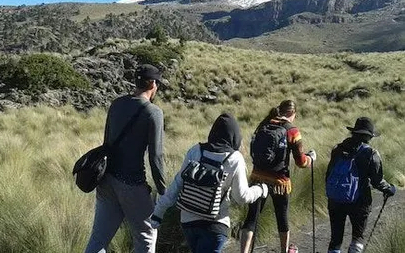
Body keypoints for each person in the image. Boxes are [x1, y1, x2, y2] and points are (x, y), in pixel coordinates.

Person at [149, 113, 268, 253]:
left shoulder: (196, 151)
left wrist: (158, 213)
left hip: (188, 222)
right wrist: (260, 190)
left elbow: (177, 184)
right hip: (215, 225)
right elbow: (241, 197)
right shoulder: (235, 159)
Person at [84, 64, 166, 253]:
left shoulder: (117, 103)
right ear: (153, 84)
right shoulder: (154, 112)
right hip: (132, 183)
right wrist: (163, 190)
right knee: (146, 236)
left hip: (106, 180)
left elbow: (106, 143)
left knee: (99, 239)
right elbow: (156, 156)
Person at [240, 99, 316, 253]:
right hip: (279, 181)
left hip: (257, 177)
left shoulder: (263, 125)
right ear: (292, 113)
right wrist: (311, 158)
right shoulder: (292, 130)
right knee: (281, 217)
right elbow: (301, 162)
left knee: (251, 218)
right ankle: (284, 250)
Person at [326, 117, 396, 253]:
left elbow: (328, 175)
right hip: (360, 201)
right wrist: (390, 189)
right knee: (357, 237)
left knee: (336, 238)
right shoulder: (371, 153)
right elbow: (377, 181)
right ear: (369, 136)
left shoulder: (338, 149)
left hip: (335, 199)